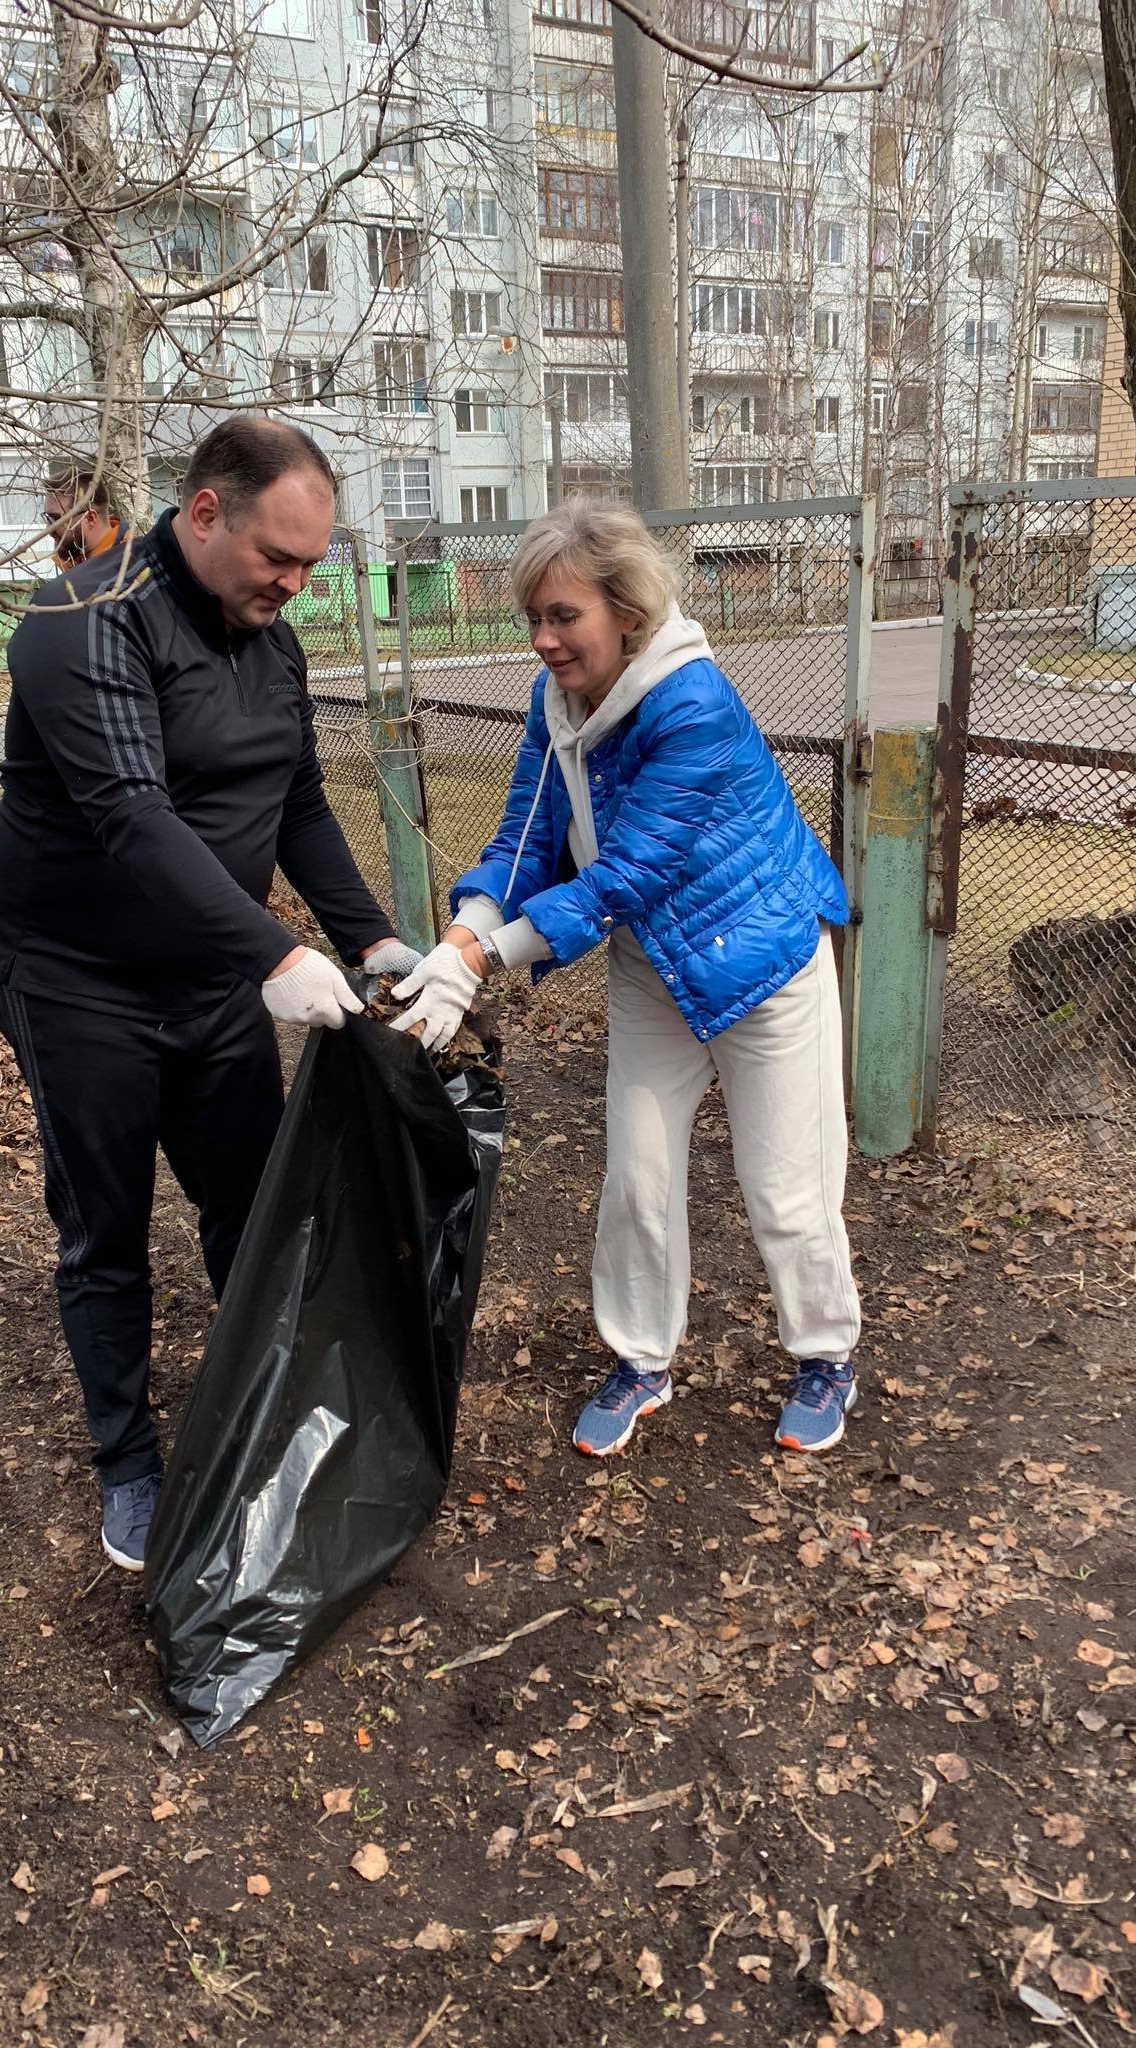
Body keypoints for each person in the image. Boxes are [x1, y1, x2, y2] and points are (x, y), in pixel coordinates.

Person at [0, 418, 421, 1571]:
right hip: (83, 985)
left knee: (251, 1205)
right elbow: (132, 814)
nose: (295, 583)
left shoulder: (271, 640)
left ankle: (264, 1408)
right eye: (280, 556)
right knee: (105, 1229)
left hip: (214, 978)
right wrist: (277, 956)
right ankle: (127, 1460)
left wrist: (370, 939)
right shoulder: (82, 618)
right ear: (207, 510)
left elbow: (298, 807)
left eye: (313, 565)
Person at [392, 503, 861, 1459]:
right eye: (533, 617)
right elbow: (527, 833)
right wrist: (458, 936)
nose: (543, 638)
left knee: (787, 1191)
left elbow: (628, 872)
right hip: (654, 968)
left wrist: (484, 960)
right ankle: (642, 1360)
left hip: (762, 961)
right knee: (637, 1181)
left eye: (564, 615)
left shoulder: (691, 701)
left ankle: (825, 1353)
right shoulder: (554, 701)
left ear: (627, 611)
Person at [44, 464, 129, 572]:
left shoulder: (129, 567)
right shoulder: (73, 562)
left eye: (55, 519)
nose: (48, 529)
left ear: (90, 518)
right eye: (47, 518)